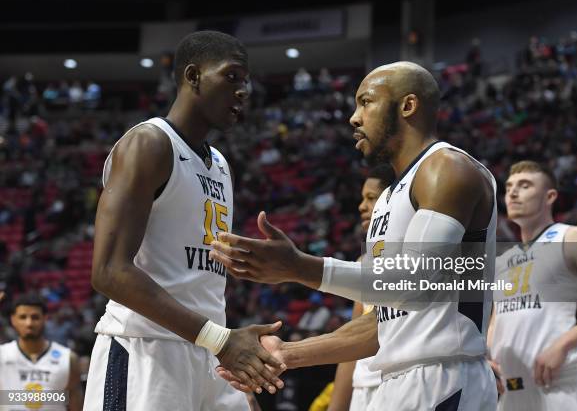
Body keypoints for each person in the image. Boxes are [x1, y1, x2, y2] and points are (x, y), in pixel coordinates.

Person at [212, 61, 499, 410]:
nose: (354, 117)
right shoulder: (388, 199)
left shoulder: (447, 168)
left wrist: (299, 267)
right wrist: (284, 354)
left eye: (366, 102)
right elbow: (383, 325)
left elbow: (412, 282)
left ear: (408, 106)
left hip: (444, 378)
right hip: (393, 383)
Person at [83, 31, 284, 411]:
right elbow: (108, 271)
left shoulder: (221, 164)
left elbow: (197, 281)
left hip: (209, 351)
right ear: (193, 76)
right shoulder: (149, 143)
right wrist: (220, 341)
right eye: (232, 77)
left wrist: (227, 362)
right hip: (147, 351)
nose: (244, 91)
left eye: (246, 81)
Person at [488, 160, 577, 410]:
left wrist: (565, 343)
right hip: (508, 394)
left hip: (559, 389)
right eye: (509, 186)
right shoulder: (501, 262)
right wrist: (487, 358)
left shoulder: (573, 237)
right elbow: (496, 322)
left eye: (524, 186)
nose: (512, 192)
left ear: (550, 196)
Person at [327, 164, 394, 411]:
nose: (361, 206)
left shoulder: (415, 256)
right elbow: (350, 348)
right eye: (362, 198)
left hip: (397, 383)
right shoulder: (363, 262)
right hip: (362, 389)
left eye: (371, 198)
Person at [0, 294, 83, 411]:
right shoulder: (2, 355)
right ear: (13, 320)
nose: (29, 323)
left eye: (35, 317)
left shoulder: (68, 359)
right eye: (23, 317)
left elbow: (76, 407)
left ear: (45, 318)